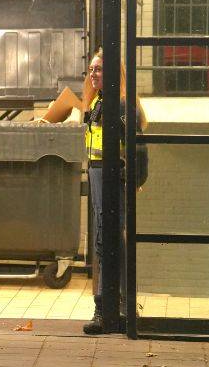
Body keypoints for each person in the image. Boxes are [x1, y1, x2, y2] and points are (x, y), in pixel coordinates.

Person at [41, 49, 146, 335]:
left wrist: (135, 178)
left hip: (113, 178)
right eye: (91, 69)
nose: (93, 74)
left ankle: (113, 308)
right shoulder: (99, 102)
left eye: (99, 69)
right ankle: (112, 307)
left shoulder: (122, 105)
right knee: (106, 241)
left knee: (110, 241)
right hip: (99, 174)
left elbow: (139, 146)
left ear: (114, 73)